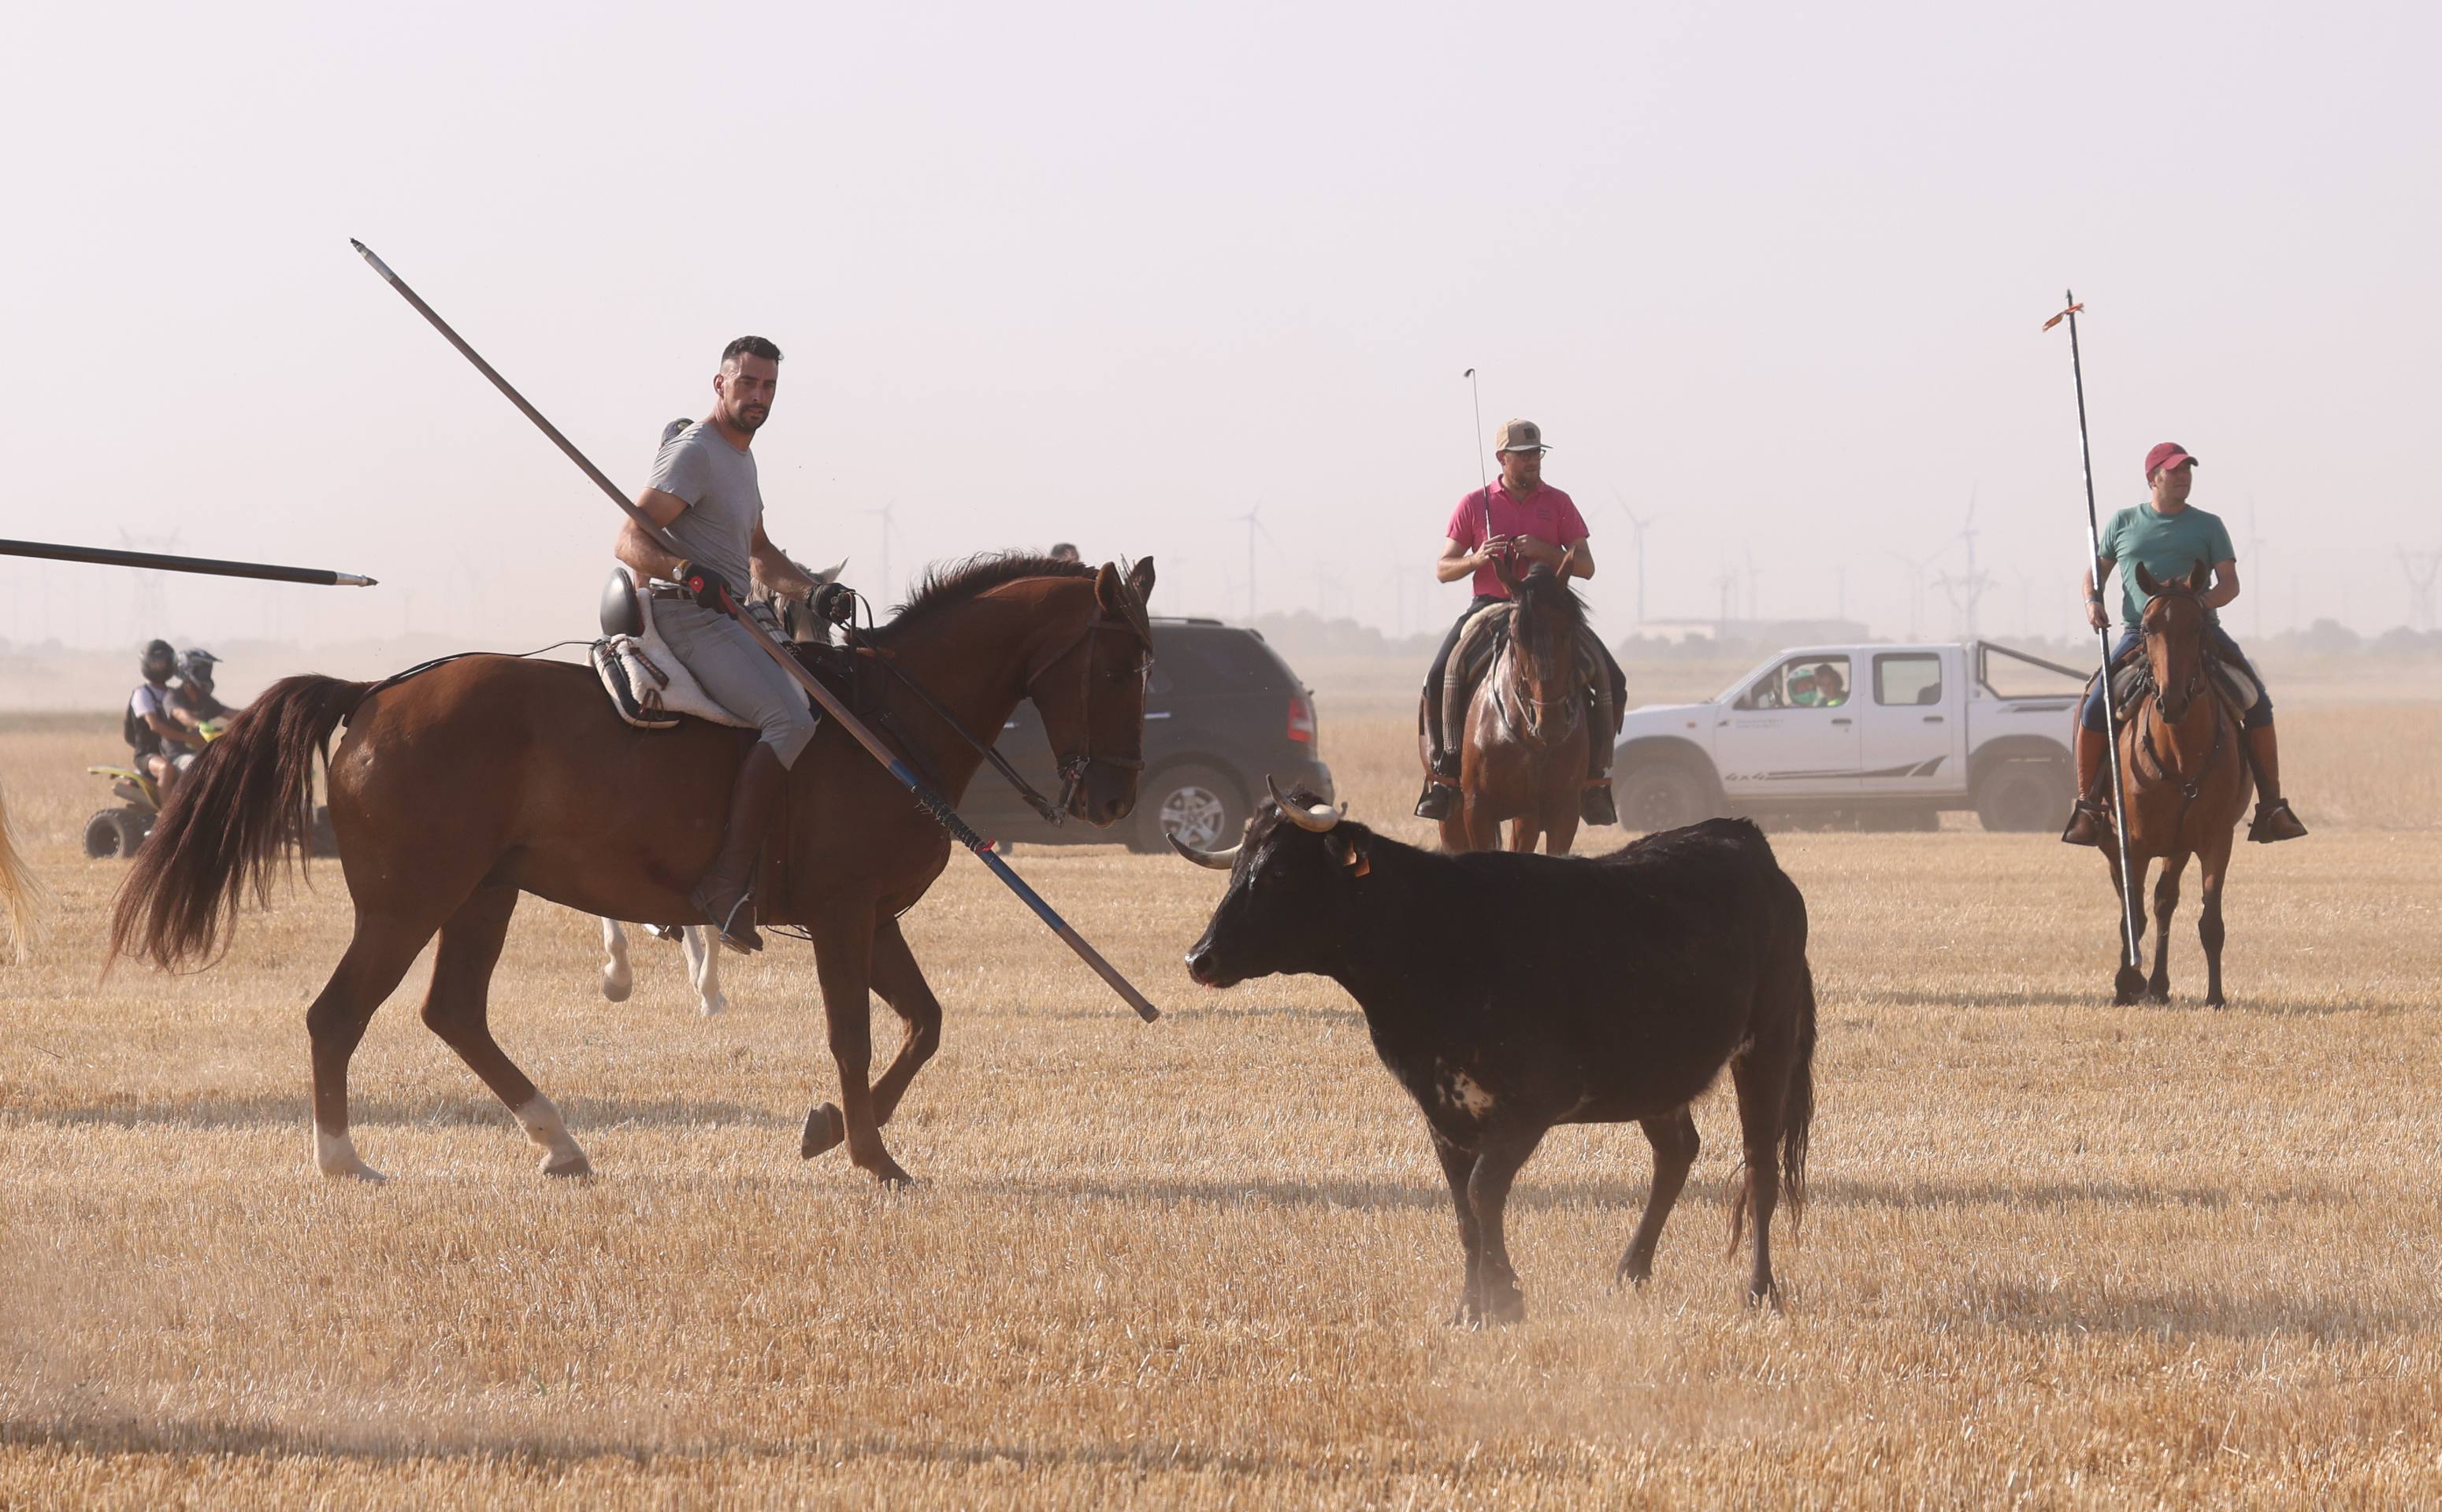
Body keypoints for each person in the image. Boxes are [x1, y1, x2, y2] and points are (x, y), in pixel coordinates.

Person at [612, 335, 827, 953]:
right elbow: (628, 540)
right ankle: (725, 883)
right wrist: (684, 570)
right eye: (748, 383)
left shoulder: (741, 459)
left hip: (735, 616)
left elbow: (759, 554)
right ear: (720, 383)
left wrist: (815, 592)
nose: (759, 396)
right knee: (788, 721)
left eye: (769, 387)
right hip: (691, 617)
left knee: (822, 697)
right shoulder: (696, 452)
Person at [2062, 442, 2307, 846]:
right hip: (2140, 633)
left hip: (2201, 631)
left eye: (2187, 470)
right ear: (2152, 478)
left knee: (2257, 702)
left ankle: (2272, 807)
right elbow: (2095, 575)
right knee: (2093, 706)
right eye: (2174, 471)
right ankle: (2089, 807)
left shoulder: (2209, 525)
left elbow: (2230, 584)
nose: (2183, 477)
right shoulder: (2123, 522)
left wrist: (2196, 606)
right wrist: (2092, 603)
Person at [1414, 419, 1628, 825]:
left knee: (1611, 678)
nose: (1533, 461)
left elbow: (1586, 566)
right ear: (1503, 458)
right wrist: (1477, 559)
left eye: (1537, 454)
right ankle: (1444, 777)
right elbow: (1443, 569)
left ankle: (1596, 781)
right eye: (1524, 455)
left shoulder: (1559, 502)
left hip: (1548, 611)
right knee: (1441, 674)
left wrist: (1545, 550)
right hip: (1491, 607)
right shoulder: (1474, 503)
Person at [124, 639, 202, 804]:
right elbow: (155, 726)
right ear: (146, 664)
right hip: (147, 753)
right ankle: (167, 815)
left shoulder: (173, 694)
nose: (160, 667)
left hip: (172, 751)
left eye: (164, 662)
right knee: (166, 769)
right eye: (155, 663)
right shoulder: (143, 693)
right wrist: (188, 738)